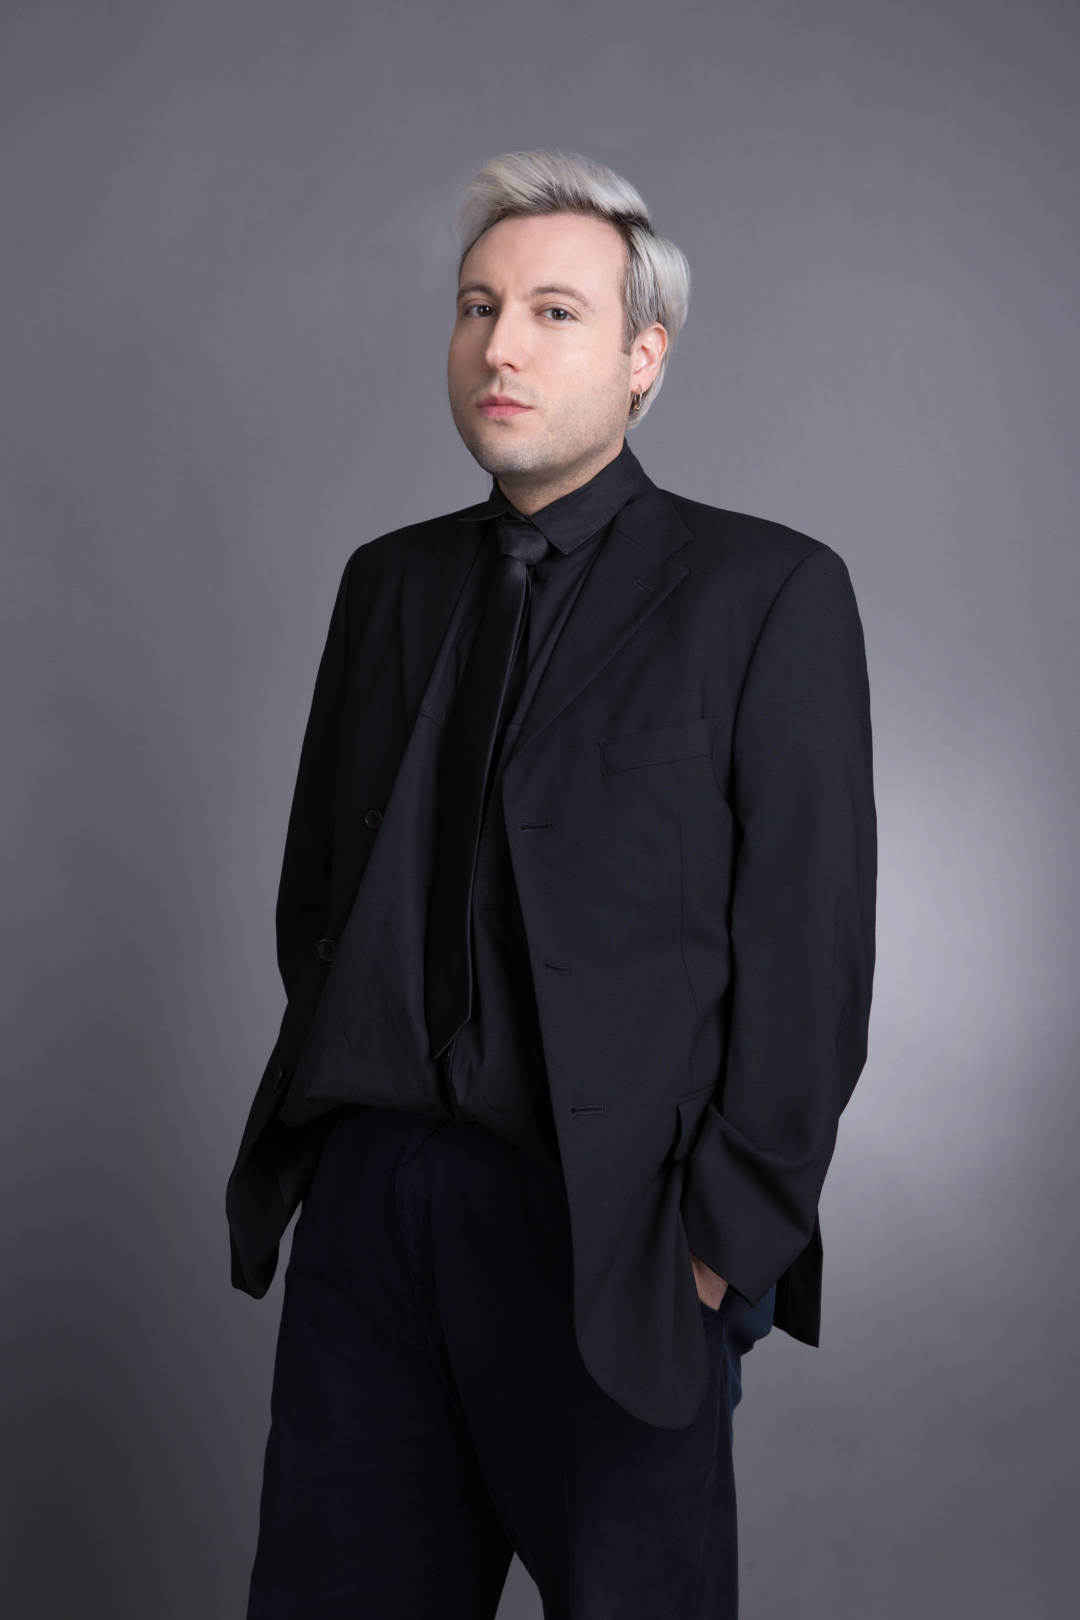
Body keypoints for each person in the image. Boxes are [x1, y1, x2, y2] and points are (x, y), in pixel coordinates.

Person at [227, 147, 877, 1619]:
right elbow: (320, 891)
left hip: (616, 1236)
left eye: (553, 312)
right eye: (477, 306)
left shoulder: (765, 592)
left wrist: (717, 1248)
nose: (498, 346)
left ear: (646, 358)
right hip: (375, 1219)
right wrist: (344, 1158)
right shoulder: (386, 584)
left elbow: (811, 956)